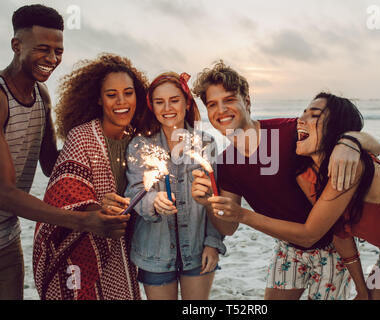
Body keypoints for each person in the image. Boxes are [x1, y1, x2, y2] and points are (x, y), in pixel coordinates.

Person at [215, 92, 380, 300]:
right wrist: (361, 288)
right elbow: (340, 235)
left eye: (314, 115)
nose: (300, 120)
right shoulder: (308, 176)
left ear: (335, 127)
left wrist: (351, 140)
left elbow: (309, 235)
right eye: (303, 113)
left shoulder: (353, 166)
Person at [191, 61, 380, 300]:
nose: (221, 110)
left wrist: (350, 143)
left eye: (229, 100)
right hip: (289, 248)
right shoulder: (225, 162)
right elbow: (229, 227)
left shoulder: (290, 131)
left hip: (334, 246)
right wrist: (209, 202)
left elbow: (372, 144)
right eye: (212, 104)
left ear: (247, 101)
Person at [0, 4, 129, 301]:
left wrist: (103, 145)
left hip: (6, 238)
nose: (52, 59)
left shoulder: (41, 95)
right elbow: (4, 193)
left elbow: (51, 164)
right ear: (16, 45)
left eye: (58, 51)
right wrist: (83, 221)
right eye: (43, 49)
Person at [32, 54, 148, 300]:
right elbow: (64, 191)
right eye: (111, 94)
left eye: (128, 93)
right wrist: (96, 207)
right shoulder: (82, 136)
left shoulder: (140, 141)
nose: (121, 101)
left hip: (124, 247)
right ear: (98, 99)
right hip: (83, 246)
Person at [123, 71, 225, 300]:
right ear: (152, 106)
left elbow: (215, 198)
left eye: (174, 100)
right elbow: (134, 192)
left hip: (198, 250)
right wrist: (152, 202)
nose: (167, 107)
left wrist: (213, 243)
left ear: (187, 102)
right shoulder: (140, 145)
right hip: (154, 253)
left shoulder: (205, 143)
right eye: (159, 102)